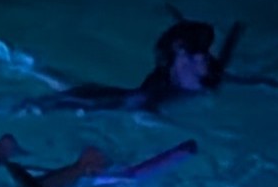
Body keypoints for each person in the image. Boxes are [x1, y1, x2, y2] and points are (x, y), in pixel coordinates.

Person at [14, 17, 243, 114]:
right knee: (93, 96)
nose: (202, 59)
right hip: (148, 99)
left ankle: (38, 75)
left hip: (150, 98)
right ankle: (38, 81)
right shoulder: (171, 72)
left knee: (91, 95)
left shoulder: (199, 71)